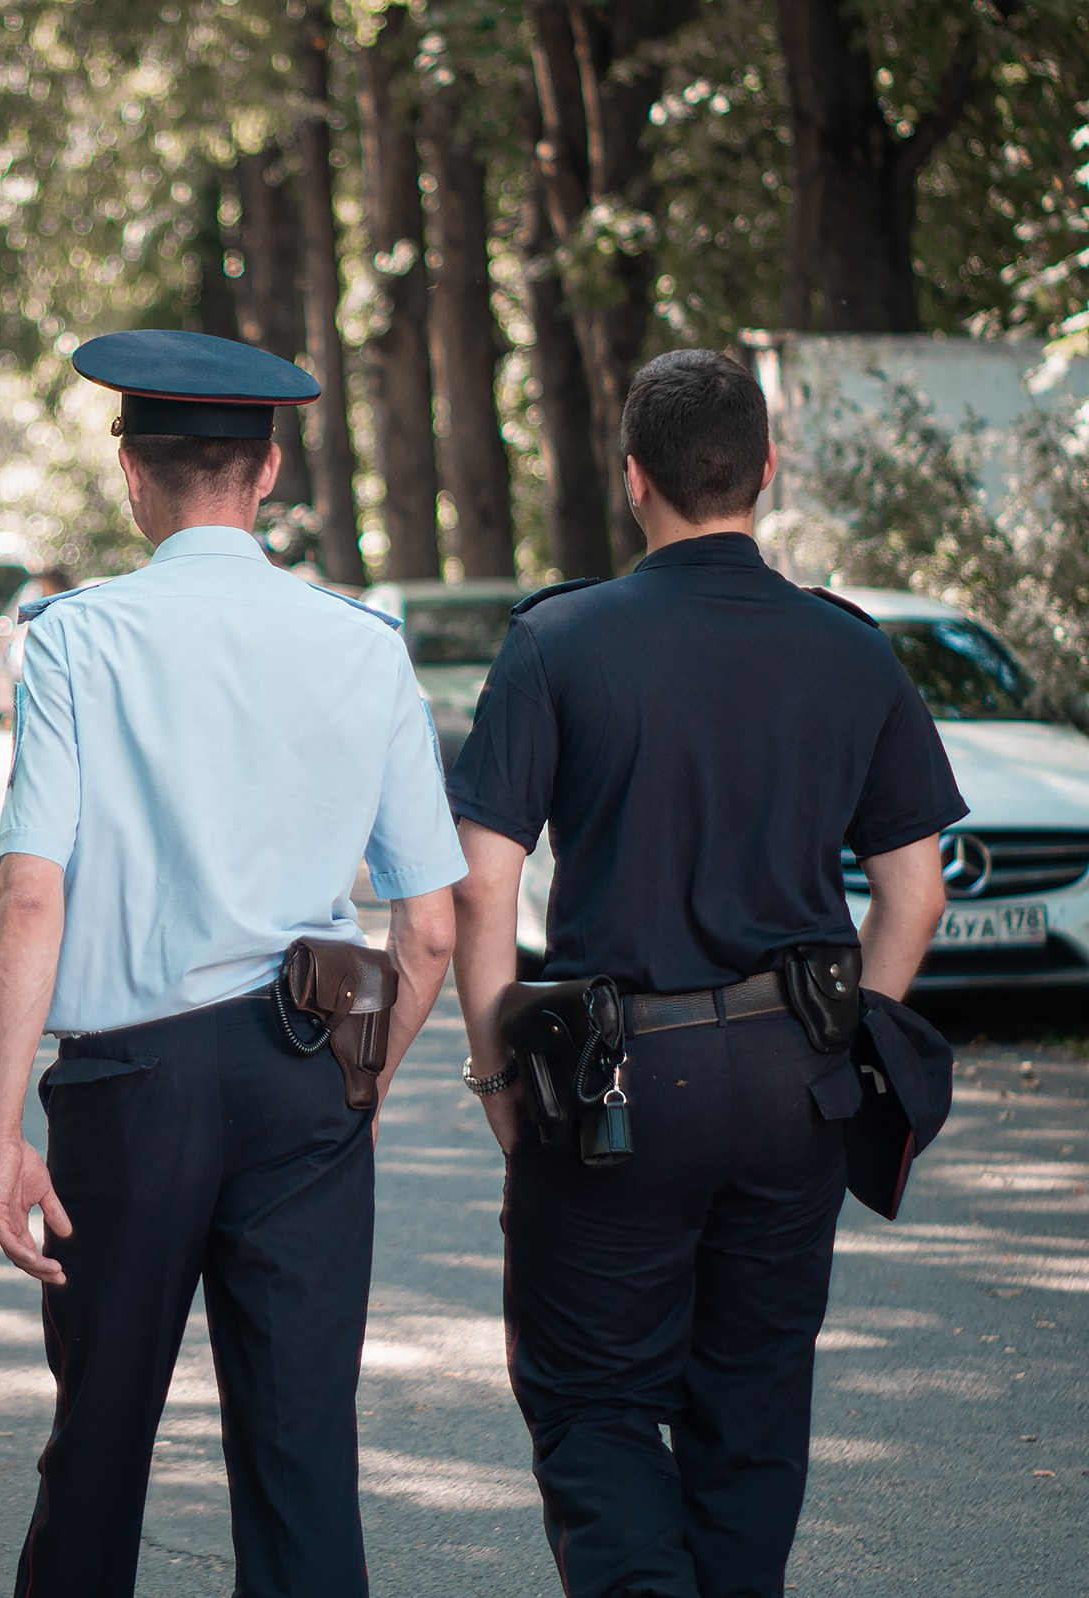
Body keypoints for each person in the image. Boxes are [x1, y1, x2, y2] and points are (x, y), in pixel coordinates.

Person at [446, 350, 966, 1598]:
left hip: (615, 1084)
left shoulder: (560, 639)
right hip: (798, 1075)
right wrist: (859, 1035)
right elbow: (918, 886)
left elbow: (483, 878)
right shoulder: (851, 650)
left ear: (635, 480)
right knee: (753, 1406)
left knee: (592, 1398)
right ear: (767, 472)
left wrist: (491, 1063)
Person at [0, 329, 465, 1598]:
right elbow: (432, 926)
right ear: (269, 470)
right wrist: (361, 1087)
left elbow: (34, 891)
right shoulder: (363, 644)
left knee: (98, 1446)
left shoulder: (78, 640)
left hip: (128, 1087)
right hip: (306, 1067)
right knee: (303, 1459)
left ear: (132, 472)